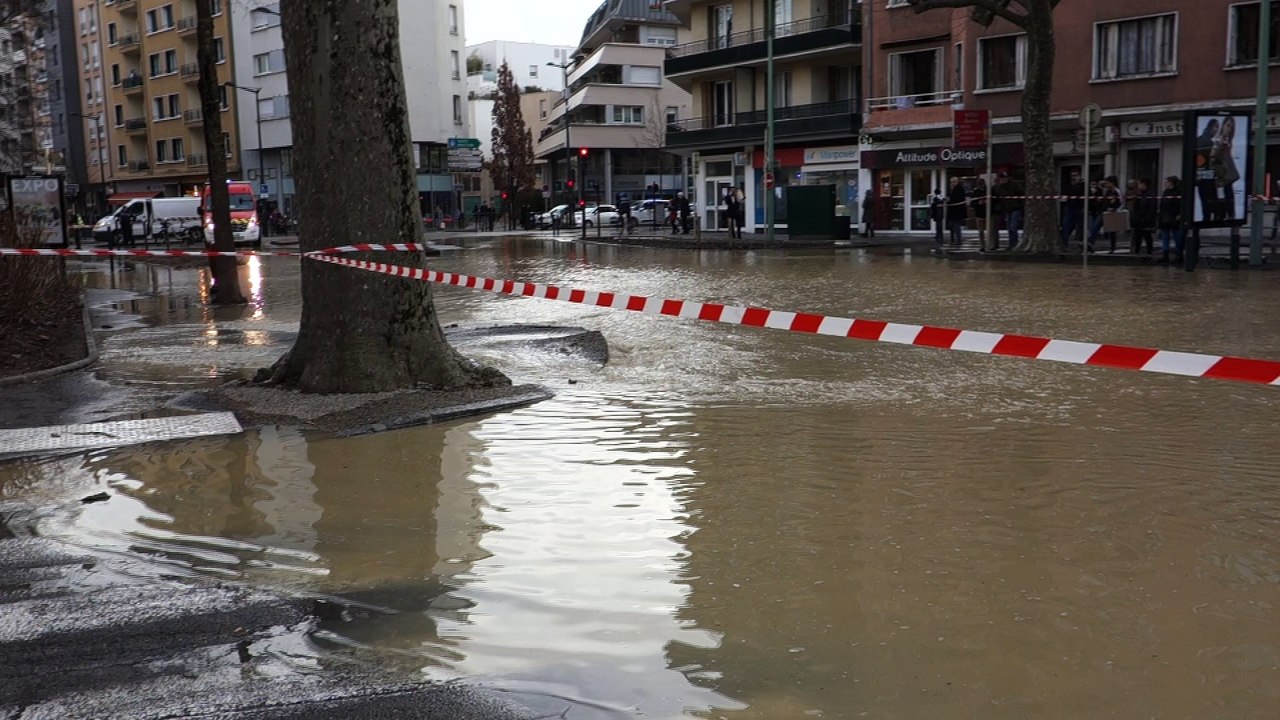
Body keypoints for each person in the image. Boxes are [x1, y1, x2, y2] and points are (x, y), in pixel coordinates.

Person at [1211, 117, 1240, 221]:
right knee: (1223, 193)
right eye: (1227, 126)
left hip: (1227, 171)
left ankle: (1228, 214)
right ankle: (1222, 214)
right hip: (1221, 171)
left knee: (1228, 193)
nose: (1229, 129)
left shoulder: (1227, 140)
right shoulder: (1218, 140)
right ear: (1223, 125)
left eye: (1231, 127)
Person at [1157, 175, 1183, 264]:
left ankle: (1179, 255)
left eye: (1167, 182)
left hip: (1174, 217)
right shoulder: (1165, 192)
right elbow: (1162, 205)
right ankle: (1165, 255)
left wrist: (1179, 214)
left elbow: (1181, 205)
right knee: (1165, 237)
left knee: (1177, 237)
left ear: (1171, 183)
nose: (1165, 183)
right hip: (1165, 217)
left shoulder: (1179, 192)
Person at [1130, 178, 1156, 257]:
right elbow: (1135, 207)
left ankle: (1149, 253)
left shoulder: (1150, 195)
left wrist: (1148, 219)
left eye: (1139, 184)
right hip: (1138, 219)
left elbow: (1152, 208)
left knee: (1147, 236)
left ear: (1143, 184)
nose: (1138, 186)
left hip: (1146, 220)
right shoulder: (1140, 194)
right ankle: (1136, 252)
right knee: (1138, 237)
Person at [1060, 170, 1085, 251]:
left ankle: (1080, 245)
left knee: (1080, 227)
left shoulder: (1083, 185)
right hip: (1070, 208)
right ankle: (1064, 243)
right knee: (1066, 226)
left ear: (1079, 176)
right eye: (1072, 176)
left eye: (1076, 175)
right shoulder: (1068, 186)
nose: (1074, 177)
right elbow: (1064, 196)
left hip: (1079, 208)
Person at [946, 176, 967, 247]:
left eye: (954, 182)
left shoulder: (959, 189)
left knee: (956, 226)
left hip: (957, 211)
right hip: (952, 211)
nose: (952, 183)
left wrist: (950, 199)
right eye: (951, 182)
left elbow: (958, 199)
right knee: (952, 226)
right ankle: (953, 239)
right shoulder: (951, 189)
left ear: (957, 182)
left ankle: (958, 240)